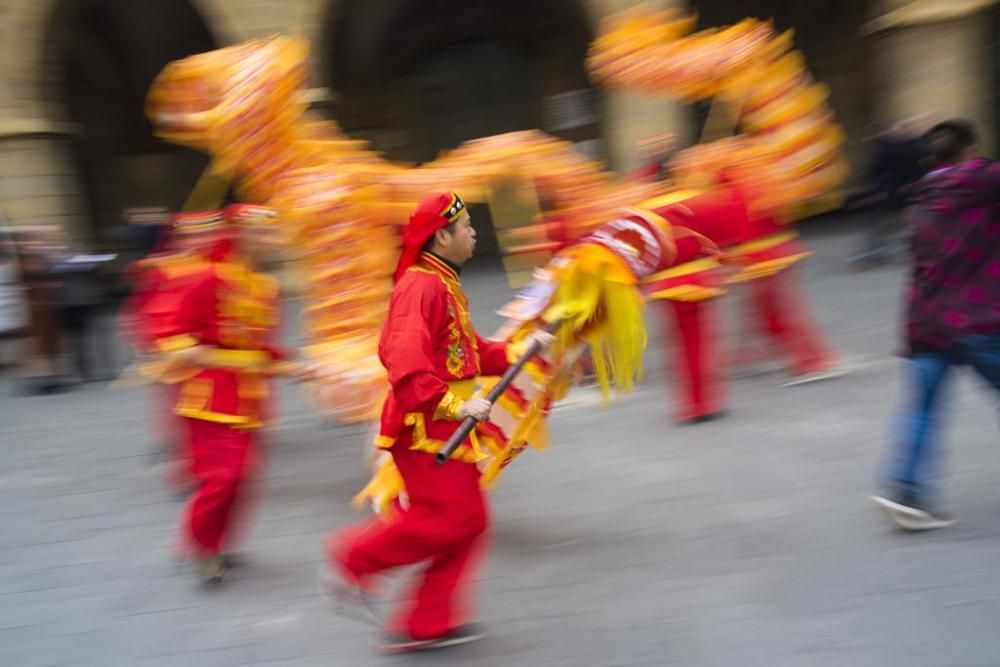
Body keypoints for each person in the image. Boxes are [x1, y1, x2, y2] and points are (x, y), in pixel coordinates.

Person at [324, 192, 551, 653]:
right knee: (454, 518)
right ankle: (356, 558)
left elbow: (466, 351)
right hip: (426, 424)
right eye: (465, 226)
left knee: (467, 521)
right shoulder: (421, 286)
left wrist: (518, 350)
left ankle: (428, 622)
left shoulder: (442, 283)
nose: (472, 233)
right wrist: (453, 406)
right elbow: (405, 361)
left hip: (448, 423)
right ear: (440, 236)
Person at [151, 205, 300, 583]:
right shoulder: (204, 278)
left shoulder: (265, 287)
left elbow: (259, 345)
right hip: (210, 398)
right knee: (223, 477)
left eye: (271, 233)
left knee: (241, 478)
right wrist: (183, 348)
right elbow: (171, 331)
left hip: (249, 397)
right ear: (241, 235)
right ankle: (201, 546)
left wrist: (297, 365)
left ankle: (212, 543)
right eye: (263, 234)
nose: (271, 241)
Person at [872, 120, 1000, 530]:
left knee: (923, 409)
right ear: (970, 150)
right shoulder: (984, 181)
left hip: (925, 321)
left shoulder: (921, 196)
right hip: (978, 319)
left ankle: (906, 493)